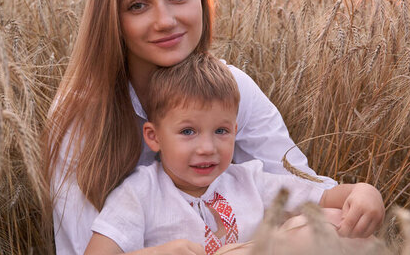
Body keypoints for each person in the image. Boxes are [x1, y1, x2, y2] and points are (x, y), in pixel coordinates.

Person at [44, 0, 337, 255]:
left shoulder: (233, 87)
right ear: (112, 18)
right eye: (137, 5)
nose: (166, 20)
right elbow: (82, 249)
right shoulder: (81, 116)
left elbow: (307, 191)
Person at [85, 53, 385, 254]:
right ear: (154, 137)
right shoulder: (139, 193)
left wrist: (362, 191)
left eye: (221, 131)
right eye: (188, 132)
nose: (207, 147)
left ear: (235, 130)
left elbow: (325, 197)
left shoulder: (248, 181)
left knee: (333, 222)